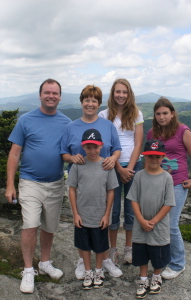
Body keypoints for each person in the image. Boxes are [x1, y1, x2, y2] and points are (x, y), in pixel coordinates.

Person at [5, 79, 71, 294]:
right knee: (31, 225)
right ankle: (27, 269)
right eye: (47, 92)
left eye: (55, 93)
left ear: (60, 96)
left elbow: (72, 150)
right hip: (30, 181)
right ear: (40, 95)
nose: (51, 96)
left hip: (55, 183)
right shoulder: (26, 120)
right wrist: (10, 185)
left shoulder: (66, 122)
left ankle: (44, 262)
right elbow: (14, 153)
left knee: (50, 227)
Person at [61, 84, 123, 279]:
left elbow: (117, 149)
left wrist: (113, 159)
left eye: (94, 100)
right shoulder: (71, 126)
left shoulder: (107, 125)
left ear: (99, 103)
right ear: (81, 102)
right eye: (87, 100)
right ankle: (83, 261)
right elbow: (63, 153)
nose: (90, 104)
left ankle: (104, 259)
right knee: (83, 225)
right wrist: (72, 158)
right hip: (82, 184)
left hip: (104, 182)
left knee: (103, 224)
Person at [146, 97, 191, 280]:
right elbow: (146, 157)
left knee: (170, 223)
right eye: (158, 113)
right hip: (157, 182)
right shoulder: (151, 133)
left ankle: (178, 264)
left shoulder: (183, 131)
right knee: (159, 223)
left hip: (177, 182)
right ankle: (165, 258)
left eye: (165, 113)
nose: (162, 117)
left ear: (172, 113)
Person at [98, 78, 144, 265]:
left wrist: (129, 169)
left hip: (134, 166)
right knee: (114, 209)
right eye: (118, 92)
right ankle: (113, 249)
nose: (121, 95)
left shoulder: (136, 114)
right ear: (112, 93)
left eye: (124, 92)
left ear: (129, 94)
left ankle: (129, 248)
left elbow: (138, 143)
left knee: (132, 209)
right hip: (112, 166)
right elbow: (105, 145)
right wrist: (119, 168)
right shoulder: (103, 115)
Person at [67, 129, 119, 289]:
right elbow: (72, 189)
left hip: (100, 216)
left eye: (95, 147)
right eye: (88, 147)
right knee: (84, 245)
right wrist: (75, 214)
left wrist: (107, 214)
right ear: (83, 147)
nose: (92, 150)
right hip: (82, 215)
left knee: (100, 246)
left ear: (101, 146)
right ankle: (88, 271)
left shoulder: (107, 166)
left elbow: (111, 191)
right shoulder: (78, 165)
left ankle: (98, 270)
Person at [127, 139, 175, 298]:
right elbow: (133, 199)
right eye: (150, 156)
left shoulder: (167, 178)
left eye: (157, 156)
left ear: (163, 157)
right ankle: (142, 279)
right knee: (141, 252)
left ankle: (156, 276)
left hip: (158, 225)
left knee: (158, 253)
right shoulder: (139, 176)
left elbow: (169, 203)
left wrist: (153, 221)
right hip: (140, 224)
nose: (154, 159)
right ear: (144, 157)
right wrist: (140, 219)